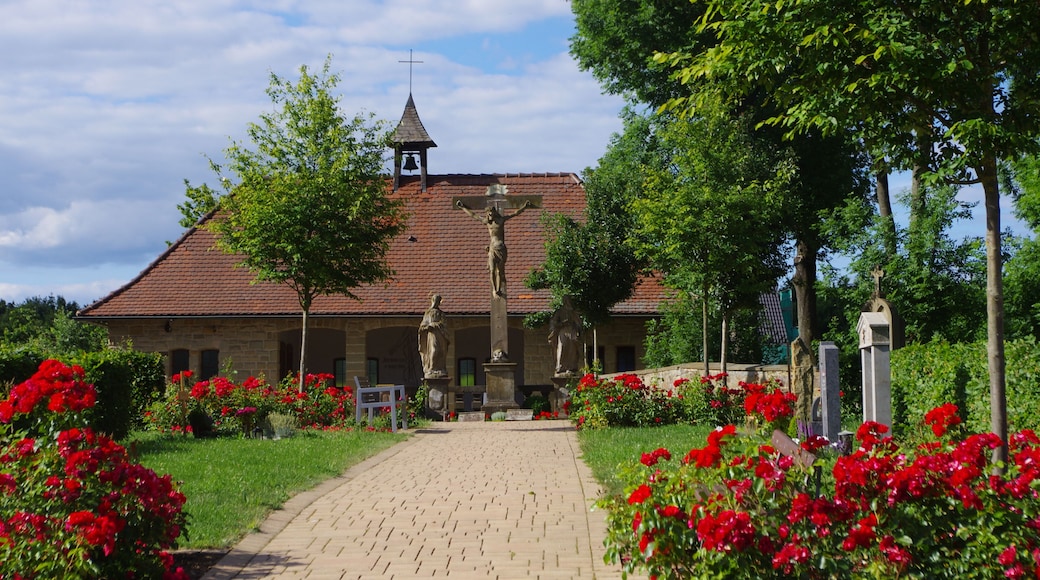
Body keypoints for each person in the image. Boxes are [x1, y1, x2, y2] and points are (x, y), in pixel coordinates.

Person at [457, 199, 532, 296]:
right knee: (492, 270)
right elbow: (474, 215)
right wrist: (463, 207)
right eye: (488, 213)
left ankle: (498, 289)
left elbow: (515, 213)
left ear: (494, 212)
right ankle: (494, 290)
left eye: (491, 212)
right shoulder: (487, 222)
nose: (490, 214)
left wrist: (524, 207)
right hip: (492, 249)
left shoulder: (501, 220)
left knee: (499, 271)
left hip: (500, 248)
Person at [548, 295, 581, 376]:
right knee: (562, 347)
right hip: (563, 331)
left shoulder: (573, 312)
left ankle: (571, 367)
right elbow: (553, 323)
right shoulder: (560, 311)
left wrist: (578, 330)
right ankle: (560, 367)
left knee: (572, 349)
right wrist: (562, 323)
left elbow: (578, 323)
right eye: (566, 300)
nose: (568, 302)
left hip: (572, 331)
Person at [418, 293, 449, 378]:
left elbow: (444, 324)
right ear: (432, 301)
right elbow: (422, 326)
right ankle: (431, 369)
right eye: (435, 300)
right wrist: (429, 326)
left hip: (441, 335)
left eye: (438, 301)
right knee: (434, 350)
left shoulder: (441, 314)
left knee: (441, 352)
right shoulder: (428, 313)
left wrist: (437, 325)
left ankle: (440, 368)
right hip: (432, 335)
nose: (436, 302)